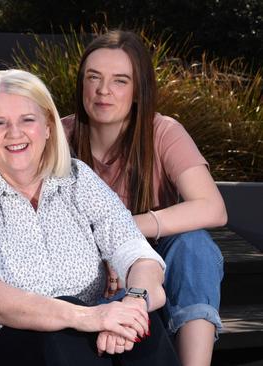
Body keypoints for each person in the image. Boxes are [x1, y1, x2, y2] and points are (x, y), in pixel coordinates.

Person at [0, 69, 180, 365]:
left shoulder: (78, 179)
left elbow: (137, 254)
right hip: (2, 342)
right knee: (64, 329)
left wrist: (134, 304)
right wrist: (87, 317)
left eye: (27, 120)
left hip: (87, 332)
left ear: (48, 127)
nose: (14, 133)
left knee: (143, 326)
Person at [64, 30, 227, 366]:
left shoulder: (162, 132)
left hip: (159, 265)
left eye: (120, 80)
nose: (103, 90)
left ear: (139, 90)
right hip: (88, 269)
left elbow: (212, 206)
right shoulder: (58, 137)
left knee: (195, 245)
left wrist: (129, 228)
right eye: (93, 77)